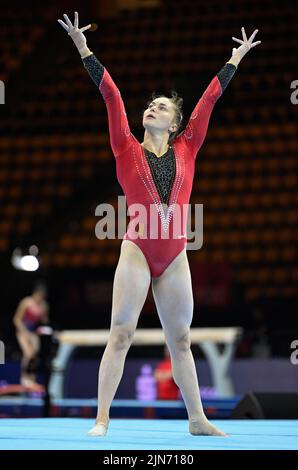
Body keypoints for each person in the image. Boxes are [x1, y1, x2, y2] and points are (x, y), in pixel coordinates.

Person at [58, 12, 261, 436]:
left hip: (174, 256)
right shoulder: (124, 146)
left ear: (175, 123)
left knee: (182, 340)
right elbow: (112, 96)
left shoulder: (190, 145)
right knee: (121, 333)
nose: (152, 108)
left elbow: (208, 101)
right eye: (151, 104)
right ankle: (101, 419)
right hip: (136, 247)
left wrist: (235, 58)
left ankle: (197, 420)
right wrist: (83, 47)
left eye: (162, 106)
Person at [13, 284, 49, 389]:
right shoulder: (26, 302)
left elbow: (44, 321)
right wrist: (24, 331)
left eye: (42, 297)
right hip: (22, 331)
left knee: (35, 355)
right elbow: (16, 319)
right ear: (35, 294)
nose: (40, 299)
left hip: (33, 332)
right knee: (28, 354)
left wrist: (44, 323)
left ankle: (32, 378)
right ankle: (24, 378)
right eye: (39, 296)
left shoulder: (44, 305)